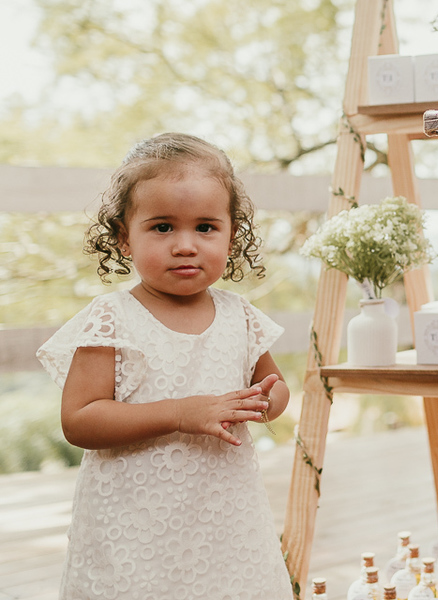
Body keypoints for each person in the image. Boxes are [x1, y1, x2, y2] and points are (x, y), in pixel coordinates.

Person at [36, 133, 293, 600]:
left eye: (206, 227)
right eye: (162, 227)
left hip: (225, 520)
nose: (185, 245)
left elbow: (272, 387)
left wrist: (266, 400)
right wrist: (180, 413)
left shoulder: (240, 315)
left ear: (232, 234)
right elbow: (79, 419)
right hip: (134, 527)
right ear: (124, 237)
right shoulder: (111, 319)